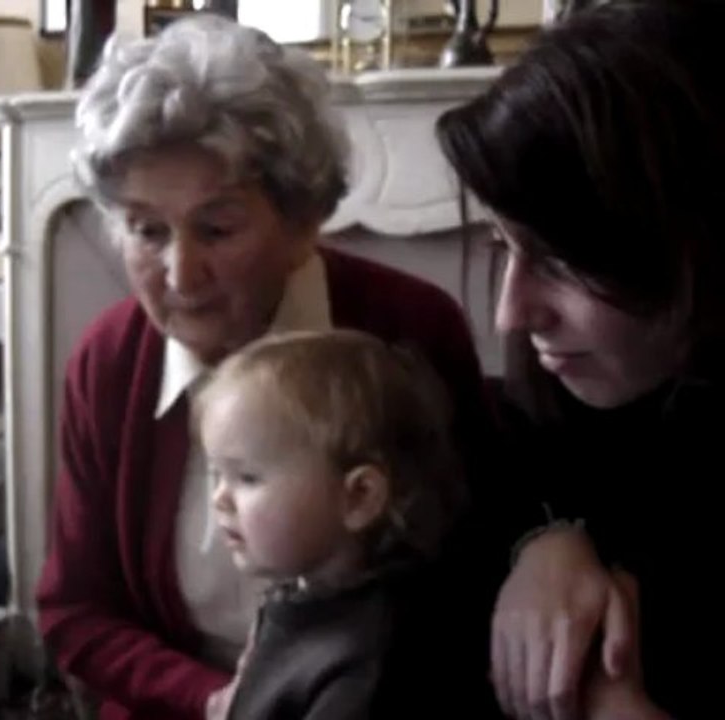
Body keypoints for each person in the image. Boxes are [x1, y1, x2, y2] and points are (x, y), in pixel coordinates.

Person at [36, 13, 496, 720]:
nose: (180, 273)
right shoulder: (108, 362)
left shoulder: (408, 328)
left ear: (303, 221)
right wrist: (217, 700)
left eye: (217, 228)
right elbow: (74, 610)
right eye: (146, 230)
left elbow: (474, 561)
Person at [436, 1, 725, 718]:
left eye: (560, 259)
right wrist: (546, 538)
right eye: (503, 247)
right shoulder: (553, 415)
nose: (510, 312)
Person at [194, 330, 465, 718]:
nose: (219, 498)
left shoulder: (367, 667)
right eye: (216, 474)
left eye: (247, 477)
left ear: (359, 497)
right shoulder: (301, 594)